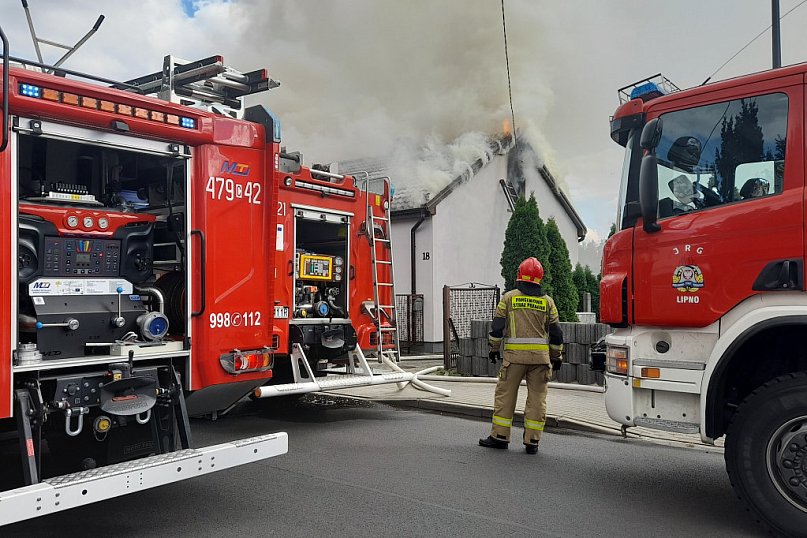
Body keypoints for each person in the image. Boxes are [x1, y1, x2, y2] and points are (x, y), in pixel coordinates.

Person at [479, 257, 564, 455]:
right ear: (540, 278)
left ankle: (500, 437)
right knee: (537, 399)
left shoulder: (508, 298)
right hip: (540, 360)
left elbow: (497, 327)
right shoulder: (548, 302)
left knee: (505, 396)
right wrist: (556, 356)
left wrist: (493, 349)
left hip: (514, 359)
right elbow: (556, 333)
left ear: (519, 275)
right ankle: (532, 441)